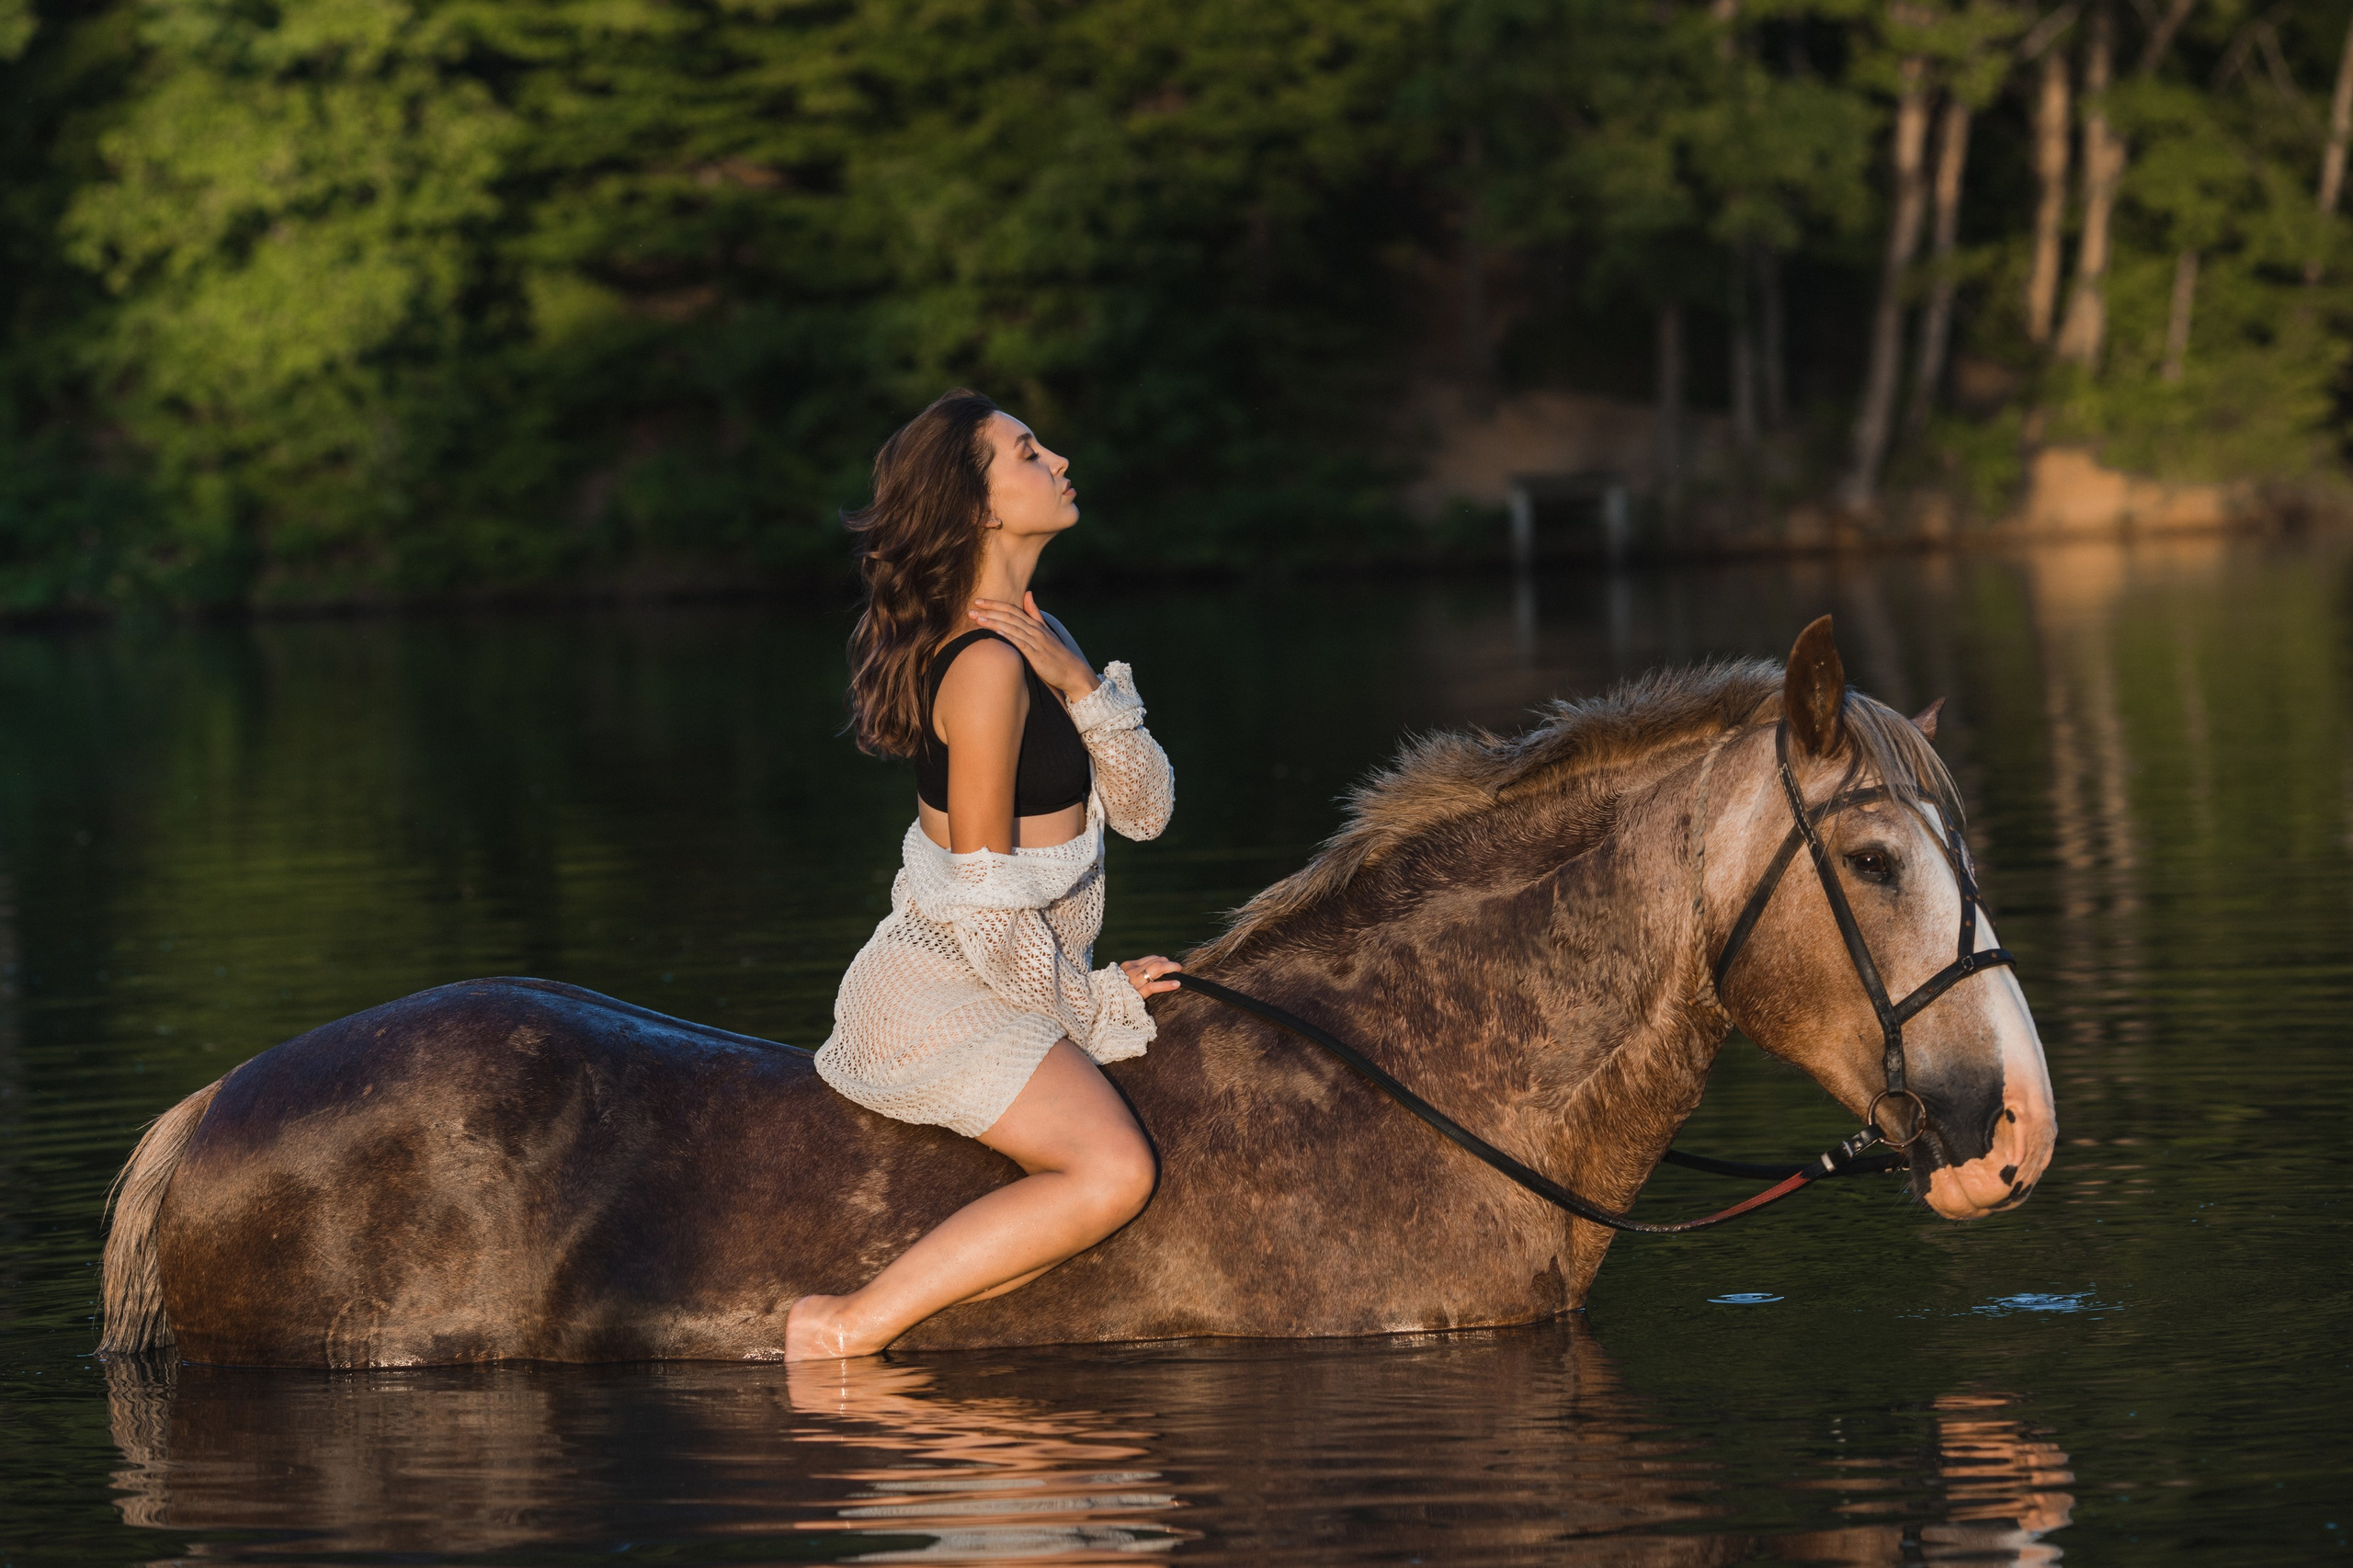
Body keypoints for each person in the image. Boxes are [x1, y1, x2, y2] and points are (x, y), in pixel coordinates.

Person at [787, 389, 1182, 1361]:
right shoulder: (983, 669)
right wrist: (1087, 1006)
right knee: (1112, 1171)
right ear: (979, 508)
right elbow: (982, 910)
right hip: (943, 993)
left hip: (1010, 974)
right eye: (1025, 452)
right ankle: (841, 1327)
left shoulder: (1040, 643)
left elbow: (1145, 810)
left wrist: (1085, 685)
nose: (1057, 457)